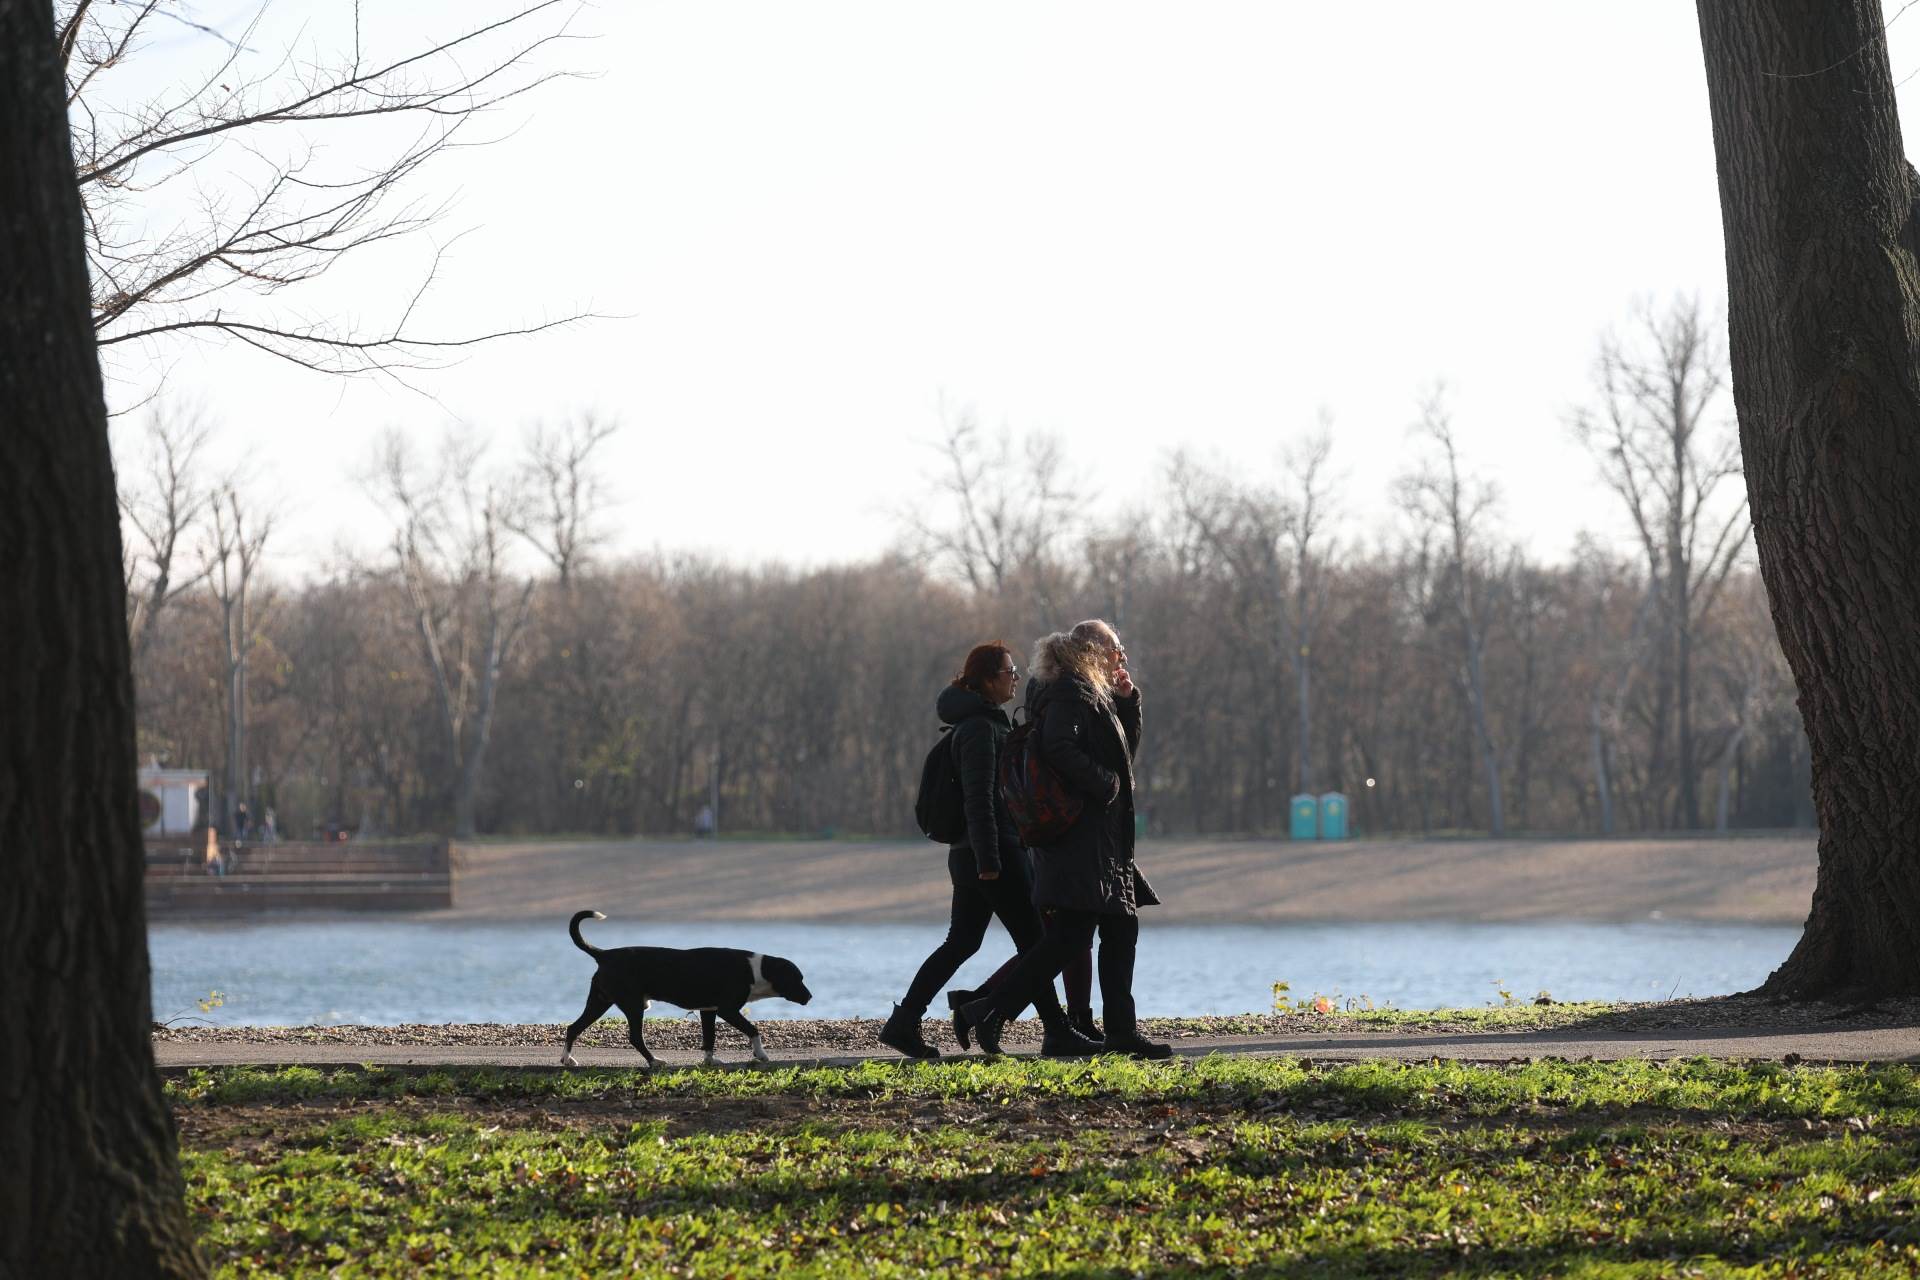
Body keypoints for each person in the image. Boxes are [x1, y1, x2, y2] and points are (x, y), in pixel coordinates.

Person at [956, 621, 1171, 1059]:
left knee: (1116, 929)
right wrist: (1103, 784)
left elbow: (1122, 758)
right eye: (1116, 649)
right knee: (1071, 938)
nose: (1121, 657)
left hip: (1101, 840)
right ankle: (988, 1009)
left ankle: (1118, 1032)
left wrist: (1127, 703)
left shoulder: (1091, 692)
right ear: (1092, 651)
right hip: (1082, 838)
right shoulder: (1071, 692)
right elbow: (1058, 747)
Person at [879, 642, 1101, 1060]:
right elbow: (978, 799)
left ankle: (904, 1022)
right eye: (1008, 672)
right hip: (992, 854)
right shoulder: (980, 729)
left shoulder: (983, 723)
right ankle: (1056, 1031)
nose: (1015, 678)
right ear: (985, 680)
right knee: (1036, 942)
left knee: (963, 942)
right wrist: (990, 861)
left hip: (975, 854)